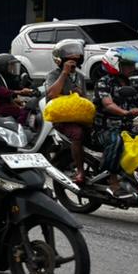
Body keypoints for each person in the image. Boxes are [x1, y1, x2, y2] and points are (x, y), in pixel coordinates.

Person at [92, 46, 138, 194]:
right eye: (128, 65)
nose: (133, 68)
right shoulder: (103, 83)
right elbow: (108, 105)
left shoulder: (134, 84)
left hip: (130, 127)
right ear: (115, 64)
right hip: (106, 128)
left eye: (133, 64)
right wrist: (127, 112)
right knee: (116, 141)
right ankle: (112, 178)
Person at [43, 38, 91, 184]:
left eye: (76, 58)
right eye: (69, 58)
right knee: (77, 134)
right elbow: (51, 95)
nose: (73, 60)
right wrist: (64, 73)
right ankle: (80, 171)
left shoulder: (80, 76)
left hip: (79, 116)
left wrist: (80, 94)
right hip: (62, 118)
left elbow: (85, 98)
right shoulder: (53, 75)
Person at [0, 53, 34, 124]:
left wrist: (32, 91)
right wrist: (20, 92)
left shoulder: (11, 77)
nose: (14, 67)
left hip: (11, 104)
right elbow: (2, 92)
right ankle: (20, 127)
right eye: (11, 65)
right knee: (25, 113)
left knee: (31, 108)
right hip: (2, 107)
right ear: (2, 67)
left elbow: (19, 88)